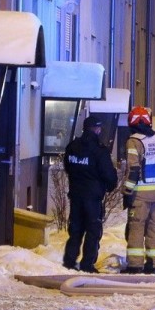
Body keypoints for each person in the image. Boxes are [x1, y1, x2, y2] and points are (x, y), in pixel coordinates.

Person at [121, 106, 155, 274]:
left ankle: (135, 265)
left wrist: (127, 191)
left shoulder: (133, 141)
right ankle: (153, 265)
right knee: (154, 229)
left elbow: (134, 170)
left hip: (140, 196)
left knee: (136, 228)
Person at [62, 115, 118, 273]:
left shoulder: (72, 147)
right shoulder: (99, 150)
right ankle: (87, 264)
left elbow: (67, 167)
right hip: (93, 198)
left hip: (76, 195)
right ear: (98, 129)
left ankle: (69, 261)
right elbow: (109, 175)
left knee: (75, 229)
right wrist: (109, 186)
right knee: (93, 231)